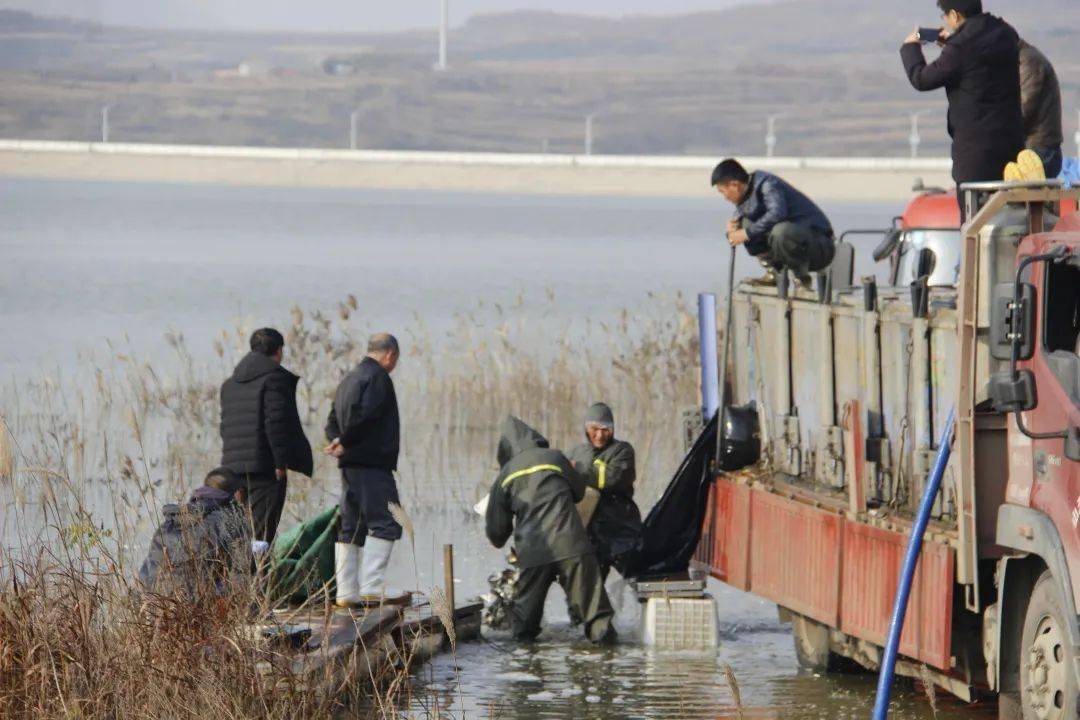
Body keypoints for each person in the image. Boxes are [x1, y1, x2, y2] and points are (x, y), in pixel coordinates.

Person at [485, 415, 616, 644]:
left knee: (524, 629)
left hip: (534, 552)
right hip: (573, 545)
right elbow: (579, 492)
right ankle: (607, 668)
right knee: (597, 620)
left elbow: (497, 533)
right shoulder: (555, 458)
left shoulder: (505, 476)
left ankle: (526, 670)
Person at [900, 0, 1023, 207]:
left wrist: (910, 46)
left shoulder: (960, 47)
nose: (946, 23)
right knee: (1011, 221)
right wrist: (953, 44)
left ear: (955, 15)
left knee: (974, 225)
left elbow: (922, 79)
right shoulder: (1006, 33)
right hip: (1011, 151)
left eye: (946, 17)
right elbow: (978, 63)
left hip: (975, 157)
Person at [324, 333, 402, 607]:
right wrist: (344, 442)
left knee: (351, 526)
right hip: (371, 462)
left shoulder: (350, 378)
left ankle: (346, 593)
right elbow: (367, 419)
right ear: (390, 354)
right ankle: (371, 588)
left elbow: (332, 419)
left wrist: (335, 440)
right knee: (387, 522)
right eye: (395, 360)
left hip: (349, 465)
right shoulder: (378, 378)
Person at [219, 328, 313, 544]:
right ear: (279, 351)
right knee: (262, 530)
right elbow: (276, 423)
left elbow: (225, 428)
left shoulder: (230, 384)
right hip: (265, 468)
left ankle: (240, 574)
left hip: (232, 469)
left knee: (238, 530)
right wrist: (280, 463)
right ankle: (259, 575)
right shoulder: (275, 379)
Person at [711, 158, 835, 286]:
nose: (725, 197)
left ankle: (802, 278)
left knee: (781, 231)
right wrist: (732, 231)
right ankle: (774, 273)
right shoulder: (744, 196)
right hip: (794, 247)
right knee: (746, 223)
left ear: (734, 185)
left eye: (723, 192)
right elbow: (741, 223)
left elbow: (777, 213)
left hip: (820, 246)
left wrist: (746, 233)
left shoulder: (768, 184)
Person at [138, 467, 254, 599]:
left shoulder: (169, 522)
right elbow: (241, 575)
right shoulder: (233, 520)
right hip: (197, 605)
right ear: (238, 493)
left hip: (155, 602)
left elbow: (147, 572)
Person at [566, 403, 642, 581]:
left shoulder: (622, 451)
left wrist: (576, 470)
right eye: (594, 429)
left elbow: (611, 478)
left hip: (621, 531)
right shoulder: (576, 452)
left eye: (605, 429)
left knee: (642, 582)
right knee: (588, 592)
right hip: (590, 537)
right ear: (586, 428)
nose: (600, 435)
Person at [1017, 39, 1063, 179]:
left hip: (1039, 150)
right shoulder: (1023, 60)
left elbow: (1024, 108)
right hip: (1034, 149)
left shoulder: (1029, 61)